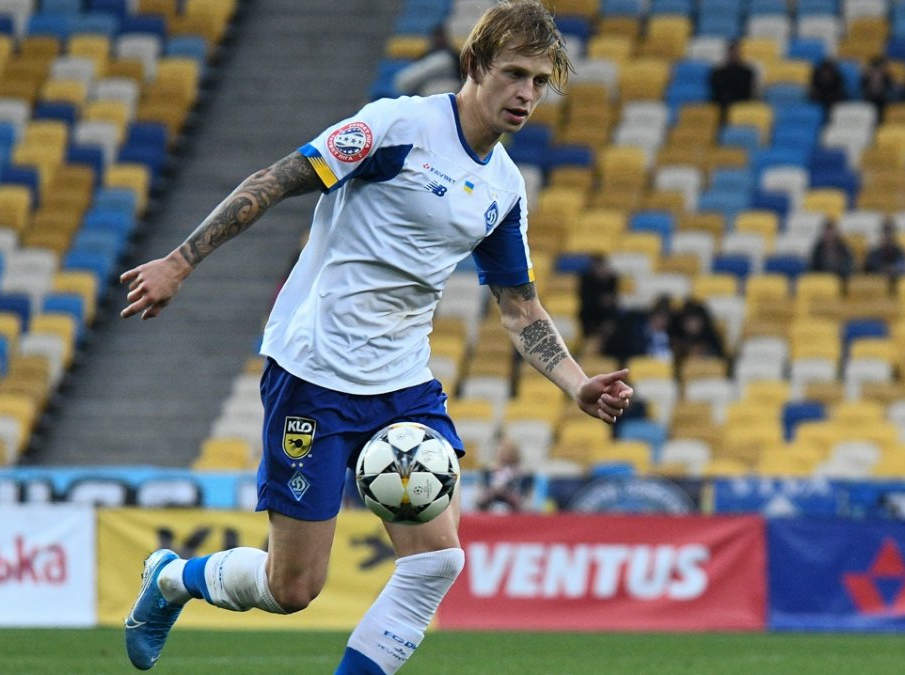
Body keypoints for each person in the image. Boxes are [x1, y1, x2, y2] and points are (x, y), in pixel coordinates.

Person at [118, 2, 633, 673]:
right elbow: (274, 179)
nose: (526, 94)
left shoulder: (503, 189)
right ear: (475, 65)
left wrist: (576, 383)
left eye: (539, 81)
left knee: (437, 561)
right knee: (292, 587)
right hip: (315, 372)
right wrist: (180, 262)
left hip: (403, 383)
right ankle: (172, 578)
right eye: (514, 73)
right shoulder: (398, 127)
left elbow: (519, 308)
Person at [393, 26, 463, 96]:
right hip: (428, 86)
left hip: (450, 83)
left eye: (441, 37)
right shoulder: (426, 55)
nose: (439, 39)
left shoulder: (453, 55)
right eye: (437, 37)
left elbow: (462, 75)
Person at [576, 253, 619, 349]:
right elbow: (584, 299)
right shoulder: (586, 279)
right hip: (589, 315)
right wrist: (600, 300)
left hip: (607, 315)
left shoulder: (612, 279)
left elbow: (614, 298)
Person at [475, 437, 525, 513]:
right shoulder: (488, 472)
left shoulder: (521, 474)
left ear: (514, 455)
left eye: (508, 453)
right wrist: (492, 492)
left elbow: (522, 501)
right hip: (489, 509)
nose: (504, 456)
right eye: (502, 453)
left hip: (512, 511)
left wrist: (506, 492)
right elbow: (479, 498)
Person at [708, 40, 755, 121]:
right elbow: (715, 93)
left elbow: (747, 93)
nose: (733, 54)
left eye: (736, 52)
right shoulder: (718, 73)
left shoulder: (747, 73)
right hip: (722, 107)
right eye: (731, 52)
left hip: (741, 106)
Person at [671, 298, 726, 364]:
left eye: (695, 321)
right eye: (688, 322)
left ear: (702, 322)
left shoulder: (710, 335)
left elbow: (721, 356)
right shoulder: (676, 334)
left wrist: (704, 351)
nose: (692, 325)